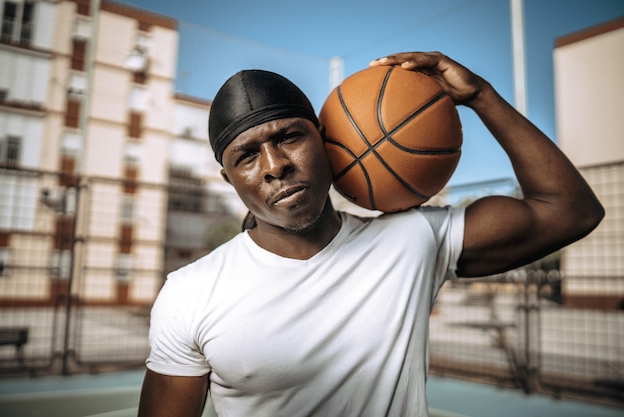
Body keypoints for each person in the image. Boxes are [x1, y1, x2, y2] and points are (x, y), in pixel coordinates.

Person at [137, 51, 604, 417]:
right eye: (246, 156)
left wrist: (480, 95)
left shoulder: (413, 239)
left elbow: (571, 210)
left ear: (326, 140)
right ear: (229, 178)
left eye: (289, 137)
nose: (275, 165)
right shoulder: (190, 293)